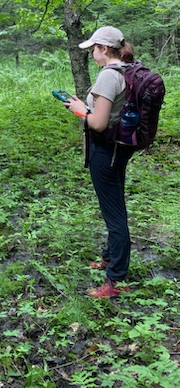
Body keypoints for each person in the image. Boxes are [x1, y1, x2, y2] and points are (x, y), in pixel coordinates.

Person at [64, 26, 135, 298]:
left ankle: (116, 280)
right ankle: (109, 257)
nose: (92, 53)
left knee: (114, 215)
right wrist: (84, 106)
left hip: (106, 151)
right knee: (114, 205)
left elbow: (97, 122)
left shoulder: (109, 75)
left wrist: (80, 112)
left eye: (93, 48)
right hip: (120, 148)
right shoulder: (128, 69)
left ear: (104, 49)